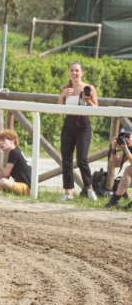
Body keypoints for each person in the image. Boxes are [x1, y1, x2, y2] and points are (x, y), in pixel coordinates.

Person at [57, 61, 98, 202]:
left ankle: (90, 190)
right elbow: (59, 109)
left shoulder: (88, 87)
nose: (74, 73)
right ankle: (68, 193)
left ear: (82, 73)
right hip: (68, 125)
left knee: (82, 160)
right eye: (71, 70)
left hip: (83, 126)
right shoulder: (66, 88)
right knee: (66, 161)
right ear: (69, 72)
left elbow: (96, 110)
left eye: (76, 70)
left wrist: (88, 100)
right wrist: (62, 95)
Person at [0, 129, 32, 196]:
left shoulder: (13, 152)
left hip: (26, 188)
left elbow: (5, 174)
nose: (0, 143)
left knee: (2, 182)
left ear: (12, 141)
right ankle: (6, 192)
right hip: (21, 186)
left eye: (3, 140)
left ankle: (5, 192)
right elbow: (5, 176)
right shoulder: (15, 151)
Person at [105, 132, 132, 208]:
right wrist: (113, 150)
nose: (126, 140)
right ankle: (114, 201)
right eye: (123, 137)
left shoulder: (127, 149)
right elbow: (116, 164)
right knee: (129, 169)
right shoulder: (129, 148)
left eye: (128, 137)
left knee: (129, 169)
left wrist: (126, 149)